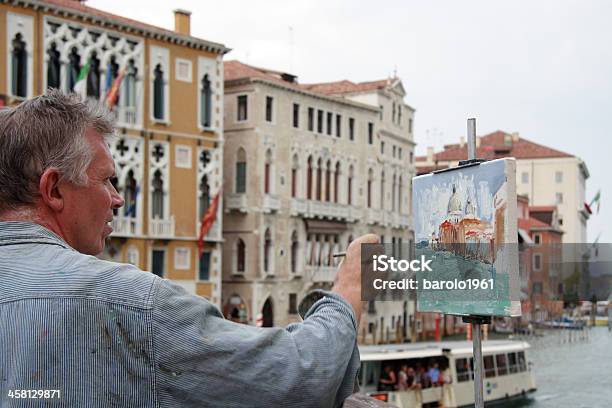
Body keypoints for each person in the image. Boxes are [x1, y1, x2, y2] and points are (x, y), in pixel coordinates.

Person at [0, 90, 380, 407]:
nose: (117, 199)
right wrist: (347, 290)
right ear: (53, 190)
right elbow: (301, 375)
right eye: (107, 181)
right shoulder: (128, 301)